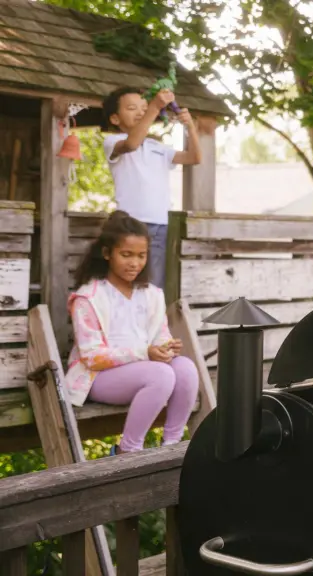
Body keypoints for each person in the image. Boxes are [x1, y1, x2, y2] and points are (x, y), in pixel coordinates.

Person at [66, 211, 200, 455]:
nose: (134, 263)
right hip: (98, 377)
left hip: (144, 368)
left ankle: (172, 446)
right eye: (126, 255)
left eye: (141, 256)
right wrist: (145, 352)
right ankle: (128, 450)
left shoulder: (151, 294)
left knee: (186, 369)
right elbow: (91, 356)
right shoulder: (89, 298)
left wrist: (165, 347)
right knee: (160, 374)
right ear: (107, 254)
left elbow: (158, 334)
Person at [101, 86, 202, 288]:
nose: (141, 112)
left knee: (155, 287)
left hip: (162, 224)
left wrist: (190, 127)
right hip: (131, 225)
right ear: (115, 119)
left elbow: (194, 157)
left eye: (144, 107)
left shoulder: (157, 146)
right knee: (130, 283)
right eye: (132, 108)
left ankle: (152, 320)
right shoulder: (113, 141)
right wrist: (154, 107)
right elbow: (132, 144)